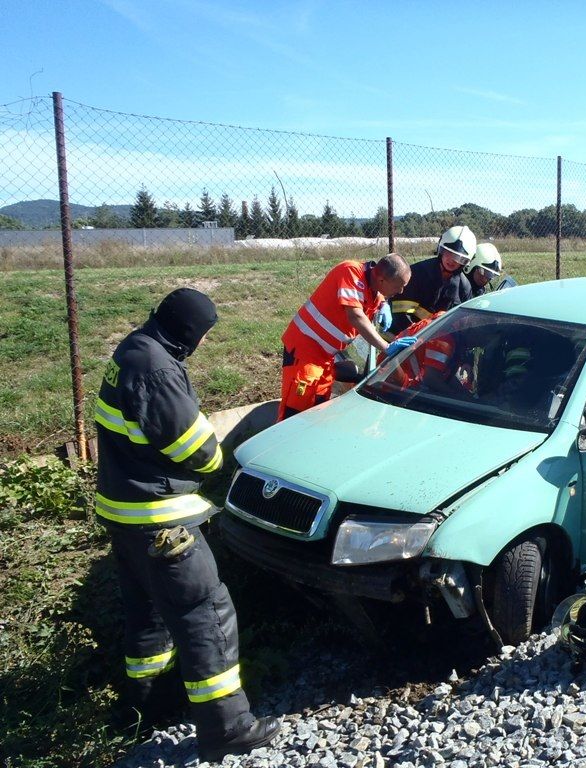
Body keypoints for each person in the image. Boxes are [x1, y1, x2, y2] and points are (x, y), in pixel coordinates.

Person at [93, 288, 280, 762]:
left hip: (124, 513)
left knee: (149, 614)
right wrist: (217, 459)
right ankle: (227, 728)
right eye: (204, 334)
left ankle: (146, 709)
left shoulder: (134, 347)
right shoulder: (157, 369)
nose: (203, 343)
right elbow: (198, 452)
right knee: (206, 613)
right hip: (161, 518)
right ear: (189, 332)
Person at [279, 252, 411, 420]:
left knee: (315, 409)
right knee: (295, 414)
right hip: (304, 352)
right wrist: (386, 347)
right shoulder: (350, 271)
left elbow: (366, 295)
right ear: (382, 280)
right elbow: (355, 316)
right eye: (399, 286)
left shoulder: (373, 290)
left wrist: (383, 303)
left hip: (325, 357)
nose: (401, 291)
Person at [389, 225, 476, 335]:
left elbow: (461, 326)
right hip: (402, 336)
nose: (452, 260)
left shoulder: (464, 288)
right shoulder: (416, 273)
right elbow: (399, 315)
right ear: (440, 250)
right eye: (448, 252)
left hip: (438, 339)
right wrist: (417, 337)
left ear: (466, 262)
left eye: (459, 258)